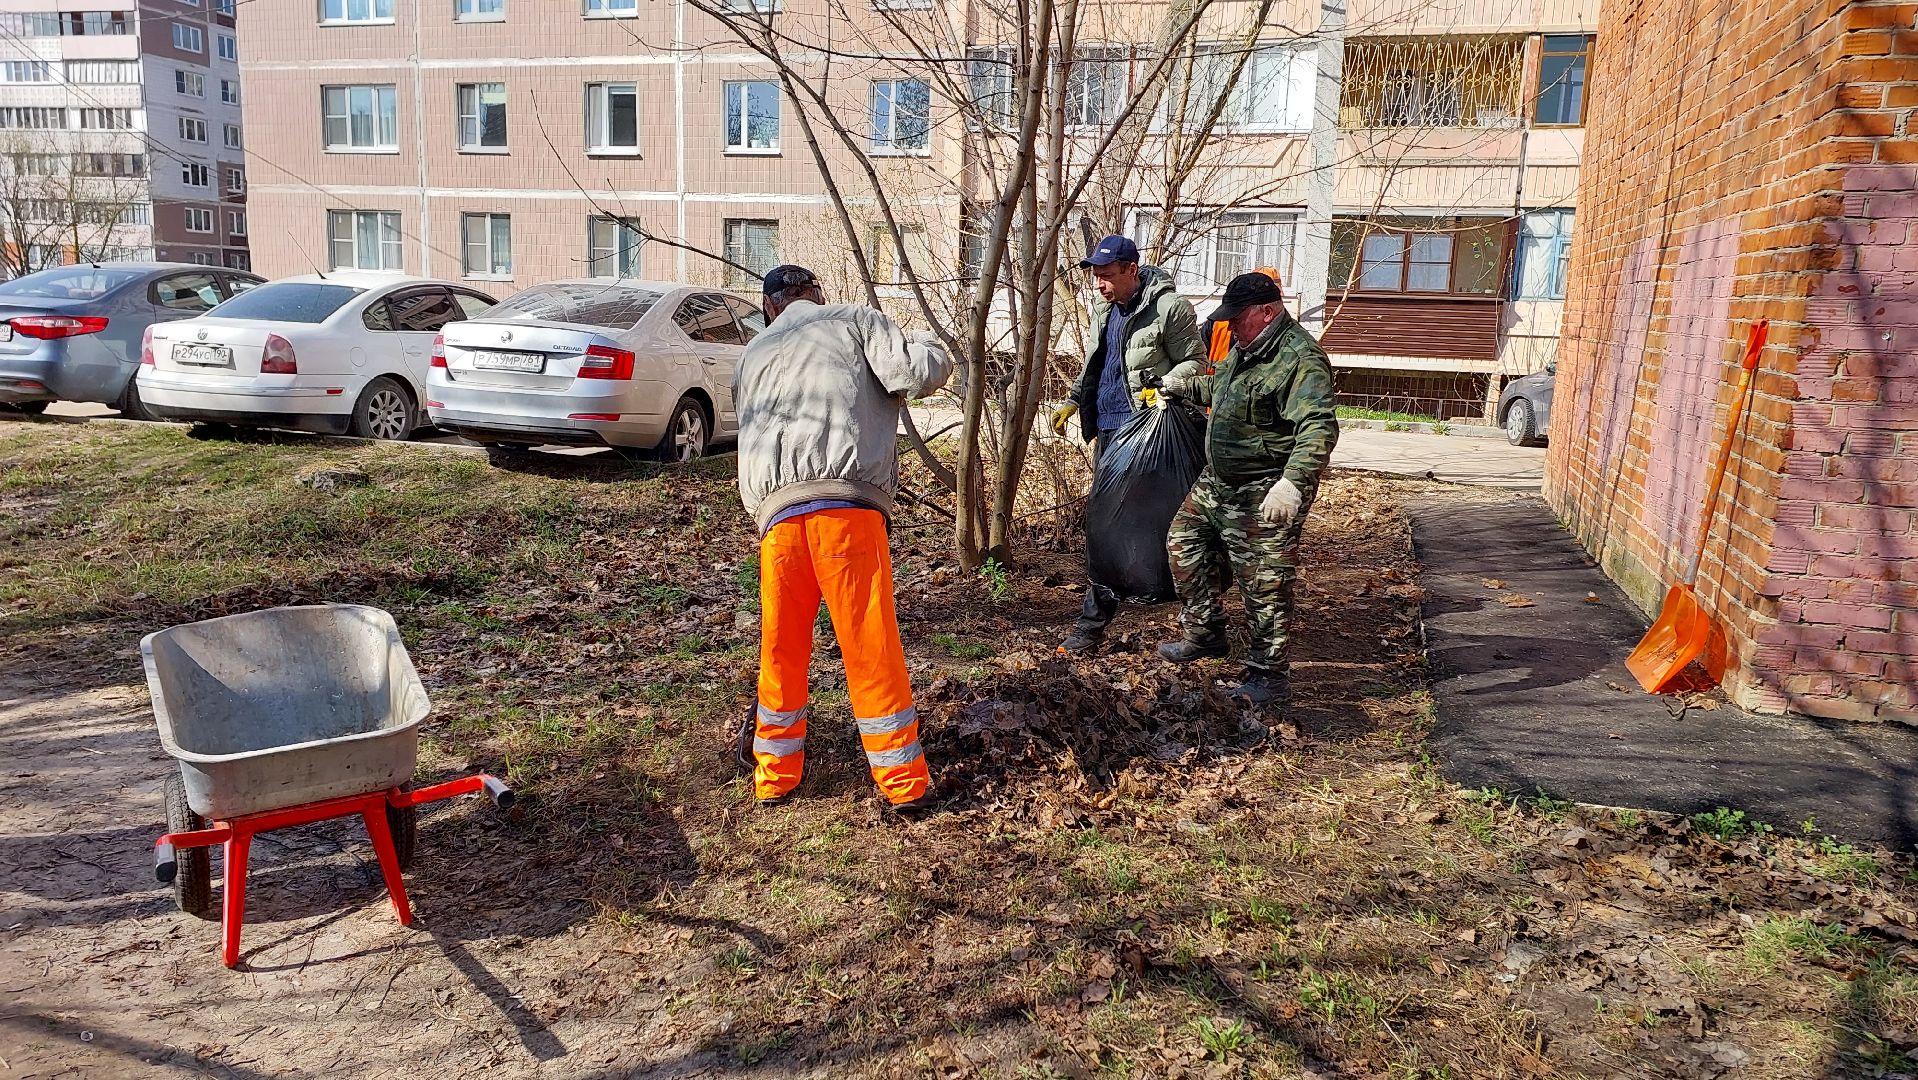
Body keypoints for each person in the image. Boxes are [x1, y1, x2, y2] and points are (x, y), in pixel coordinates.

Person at [732, 264, 953, 813]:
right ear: (816, 294)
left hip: (777, 519)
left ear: (770, 307)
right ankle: (903, 783)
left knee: (781, 647)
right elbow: (914, 372)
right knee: (868, 642)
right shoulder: (853, 320)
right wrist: (930, 342)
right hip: (845, 510)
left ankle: (773, 777)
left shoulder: (753, 353)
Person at [1156, 271, 1339, 706]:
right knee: (1183, 543)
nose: (1231, 326)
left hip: (1265, 486)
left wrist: (1292, 484)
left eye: (1238, 318)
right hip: (1218, 481)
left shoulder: (1300, 359)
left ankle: (1268, 675)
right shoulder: (1245, 347)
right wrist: (1183, 386)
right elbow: (1223, 389)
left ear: (1267, 312)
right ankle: (1205, 633)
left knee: (1264, 583)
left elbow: (1318, 427)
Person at [1050, 234, 1205, 654]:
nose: (1099, 284)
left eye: (1107, 276)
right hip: (1110, 433)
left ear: (1131, 270)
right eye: (1096, 276)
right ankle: (1092, 627)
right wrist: (1074, 400)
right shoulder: (1104, 309)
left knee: (1167, 526)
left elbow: (1196, 362)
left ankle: (1199, 626)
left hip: (1149, 435)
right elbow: (1097, 364)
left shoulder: (1169, 308)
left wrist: (1166, 384)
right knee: (1106, 528)